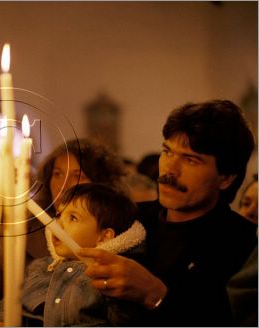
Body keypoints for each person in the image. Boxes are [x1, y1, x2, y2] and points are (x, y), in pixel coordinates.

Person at [77, 100, 257, 325]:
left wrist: (153, 294)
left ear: (226, 177)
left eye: (190, 160)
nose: (170, 169)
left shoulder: (243, 245)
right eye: (167, 151)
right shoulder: (129, 219)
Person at [0, 183, 147, 326]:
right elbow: (9, 303)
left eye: (73, 218)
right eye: (59, 215)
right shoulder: (41, 267)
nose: (57, 224)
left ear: (105, 236)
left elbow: (126, 320)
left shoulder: (109, 276)